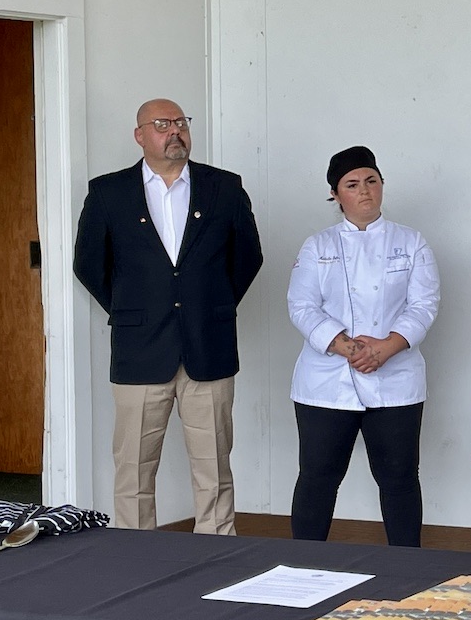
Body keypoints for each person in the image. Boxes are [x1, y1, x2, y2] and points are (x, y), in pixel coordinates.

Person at [74, 98, 263, 534]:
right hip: (139, 351)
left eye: (180, 122)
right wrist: (132, 309)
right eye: (162, 124)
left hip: (209, 347)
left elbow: (248, 257)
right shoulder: (107, 192)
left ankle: (216, 551)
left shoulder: (225, 187)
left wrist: (210, 304)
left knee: (214, 468)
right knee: (133, 469)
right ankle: (136, 557)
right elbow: (88, 265)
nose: (174, 131)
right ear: (140, 136)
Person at [287, 146, 439, 547]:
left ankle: (407, 565)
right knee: (317, 477)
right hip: (326, 381)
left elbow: (424, 305)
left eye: (372, 181)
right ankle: (303, 563)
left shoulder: (412, 242)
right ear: (335, 195)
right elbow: (301, 306)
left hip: (395, 378)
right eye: (352, 184)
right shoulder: (317, 246)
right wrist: (346, 347)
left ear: (382, 185)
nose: (365, 190)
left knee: (399, 478)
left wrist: (387, 347)